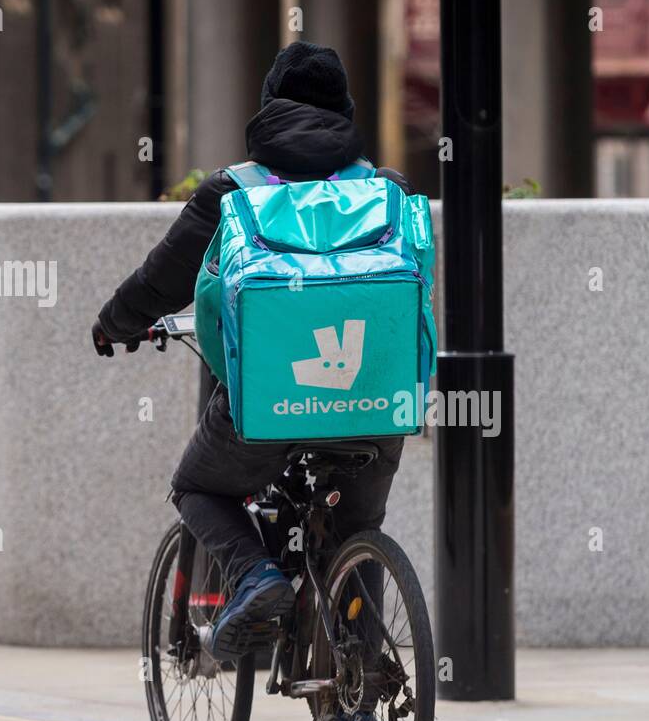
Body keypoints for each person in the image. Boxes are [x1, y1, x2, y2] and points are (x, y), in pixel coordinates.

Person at [93, 42, 411, 652]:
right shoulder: (385, 188)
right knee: (358, 529)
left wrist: (114, 323)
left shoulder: (234, 192)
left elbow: (161, 280)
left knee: (198, 488)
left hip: (271, 403)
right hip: (375, 402)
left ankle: (256, 575)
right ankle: (362, 693)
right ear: (345, 110)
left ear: (268, 105)